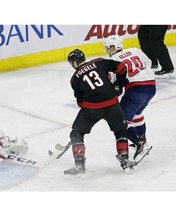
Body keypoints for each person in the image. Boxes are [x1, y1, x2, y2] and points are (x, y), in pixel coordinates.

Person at [64, 49, 136, 179]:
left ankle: (79, 165)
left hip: (92, 109)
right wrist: (118, 85)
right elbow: (121, 67)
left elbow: (80, 101)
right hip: (113, 104)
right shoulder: (100, 62)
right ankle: (125, 160)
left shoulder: (75, 79)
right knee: (120, 131)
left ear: (74, 63)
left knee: (76, 133)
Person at [103, 34, 156, 162]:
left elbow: (114, 82)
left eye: (109, 48)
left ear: (114, 47)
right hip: (151, 87)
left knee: (120, 120)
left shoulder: (113, 60)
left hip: (136, 90)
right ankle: (144, 141)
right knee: (137, 114)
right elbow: (149, 63)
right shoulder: (135, 50)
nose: (108, 51)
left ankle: (140, 144)